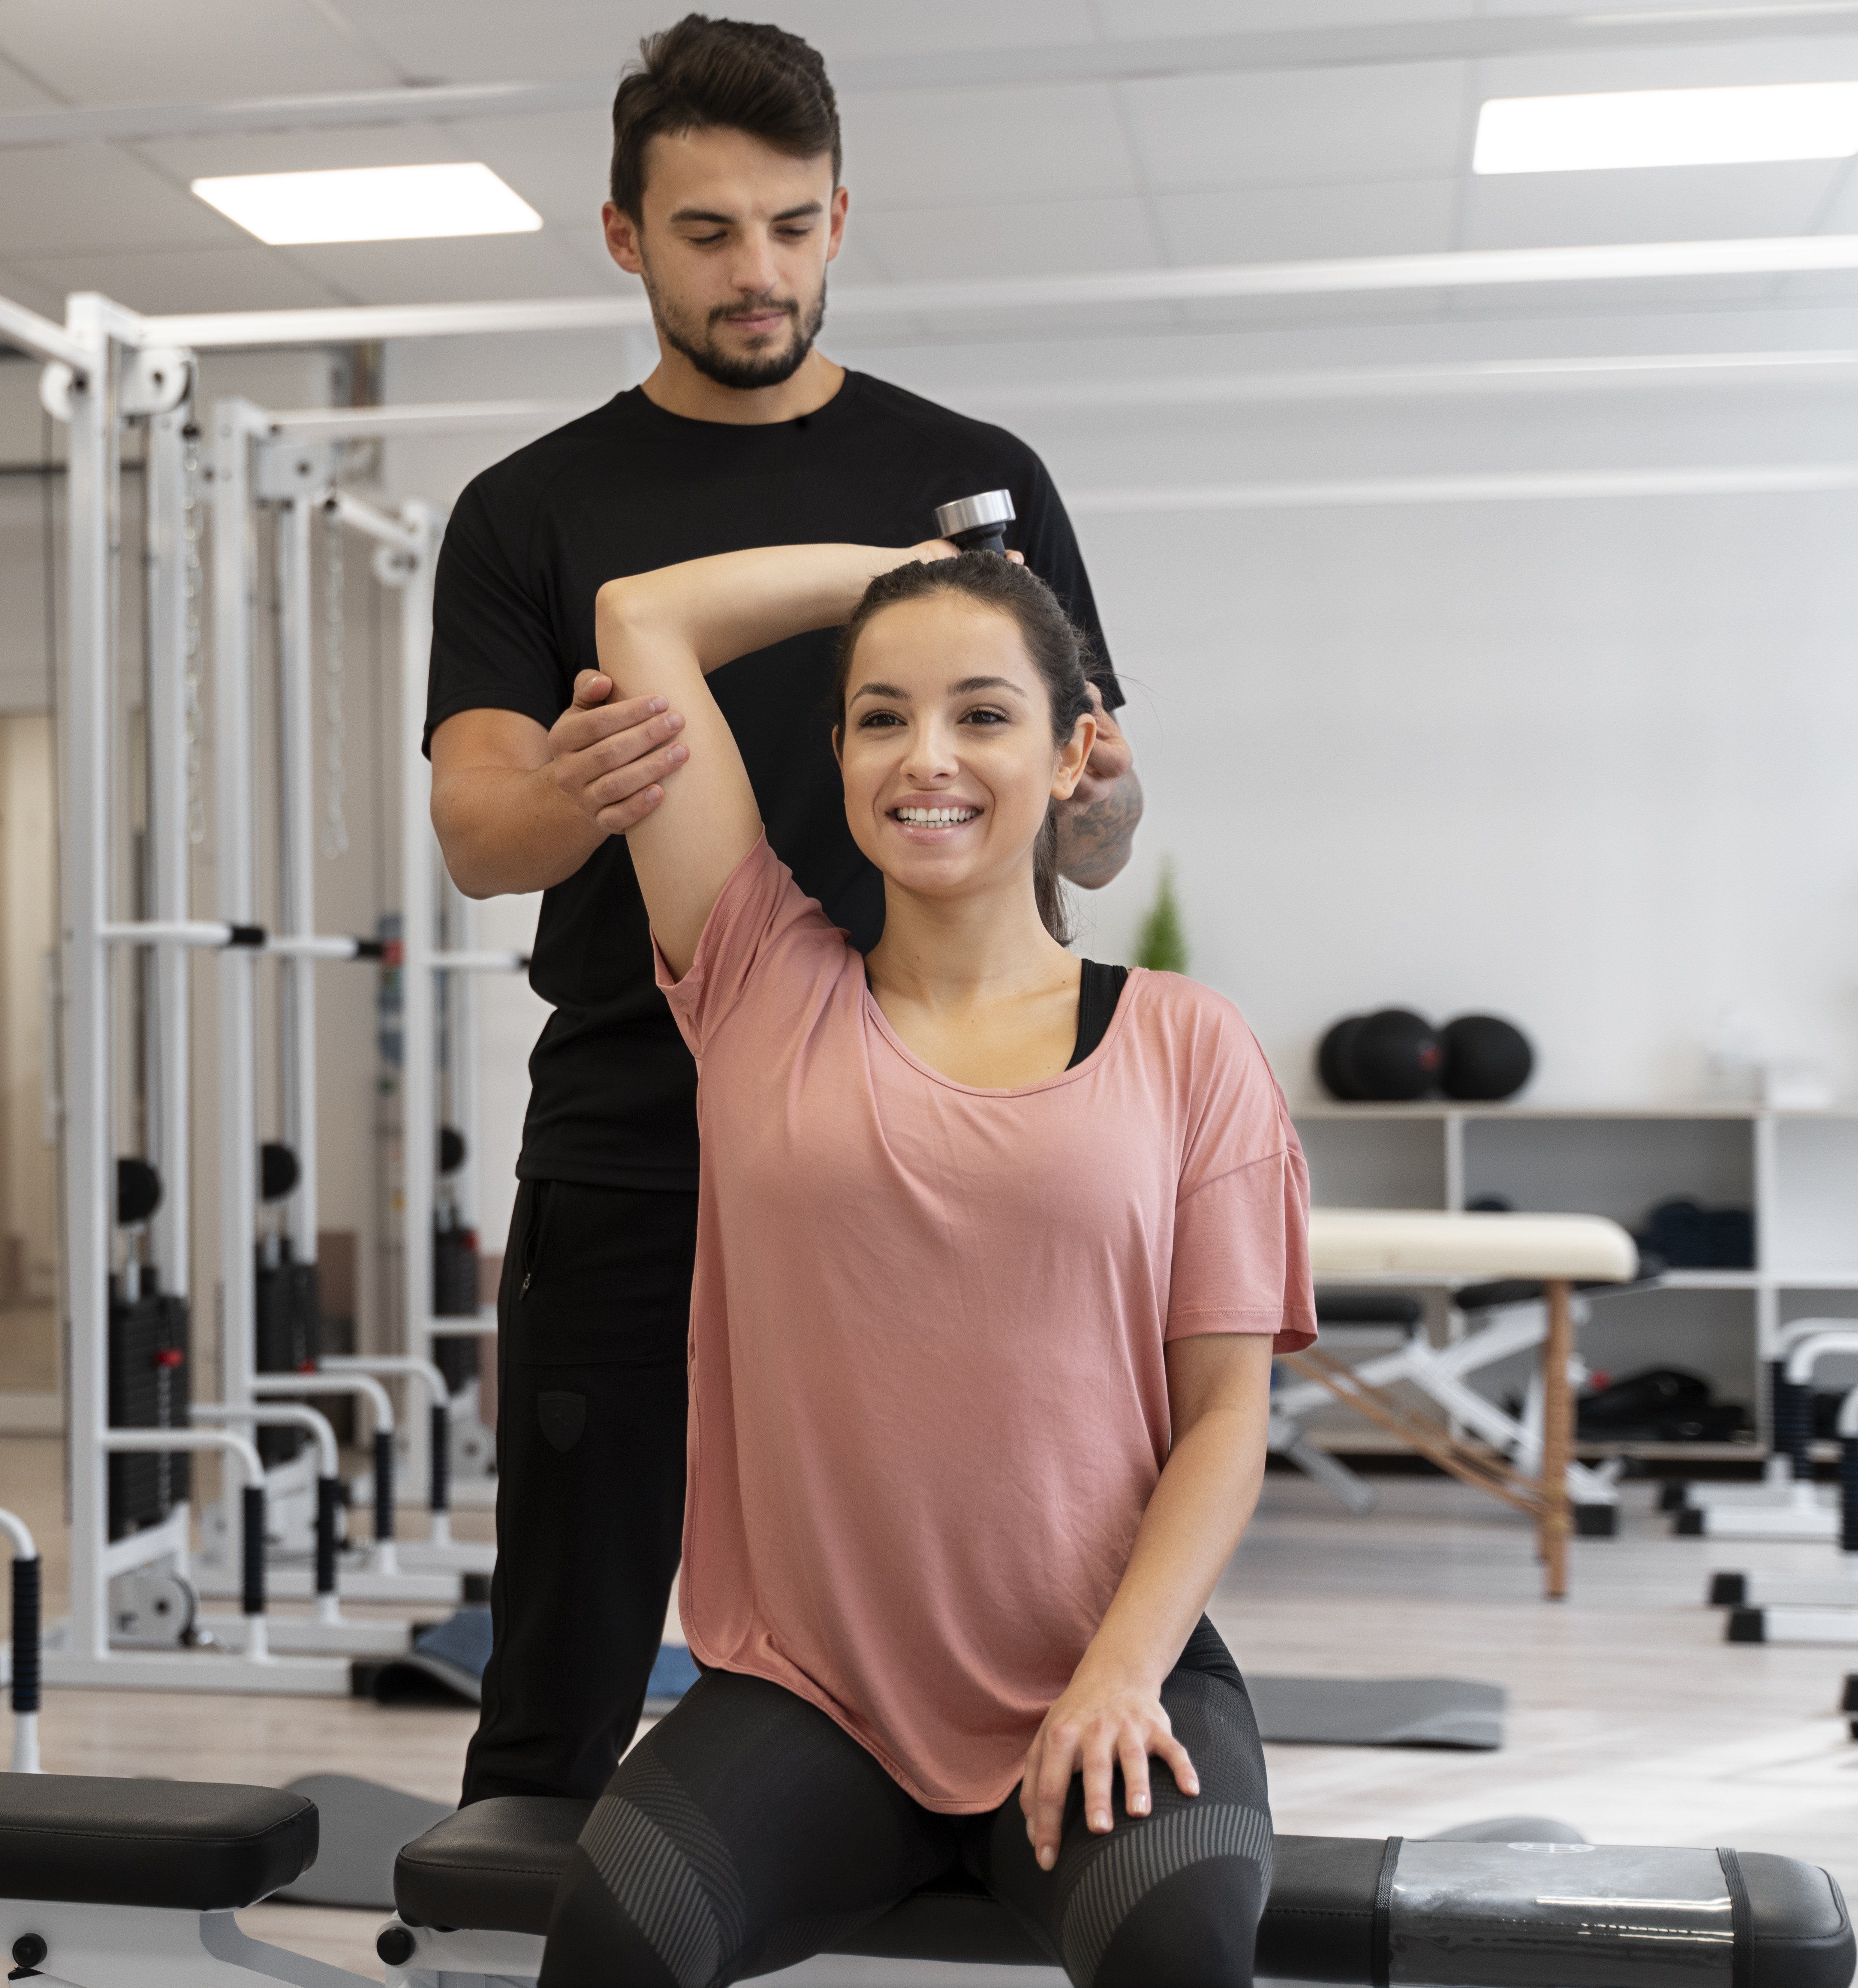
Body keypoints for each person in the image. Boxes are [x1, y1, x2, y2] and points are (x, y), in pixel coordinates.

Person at [428, 14, 1144, 1807]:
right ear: (622, 238)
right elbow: (476, 833)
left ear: (839, 216)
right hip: (637, 1122)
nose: (758, 274)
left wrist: (1104, 800)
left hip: (928, 1126)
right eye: (706, 234)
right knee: (568, 1633)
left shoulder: (977, 483)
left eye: (792, 227)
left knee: (965, 1581)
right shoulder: (527, 511)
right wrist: (578, 780)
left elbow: (1088, 824)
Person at [537, 541, 1313, 1988]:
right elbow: (644, 618)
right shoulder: (759, 974)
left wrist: (1118, 1677)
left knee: (1180, 1960)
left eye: (984, 712)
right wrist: (916, 570)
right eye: (883, 717)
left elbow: (1225, 1420)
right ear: (836, 751)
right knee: (608, 1946)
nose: (927, 758)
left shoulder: (1188, 1044)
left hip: (1104, 1669)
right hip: (813, 1698)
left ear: (1077, 749)